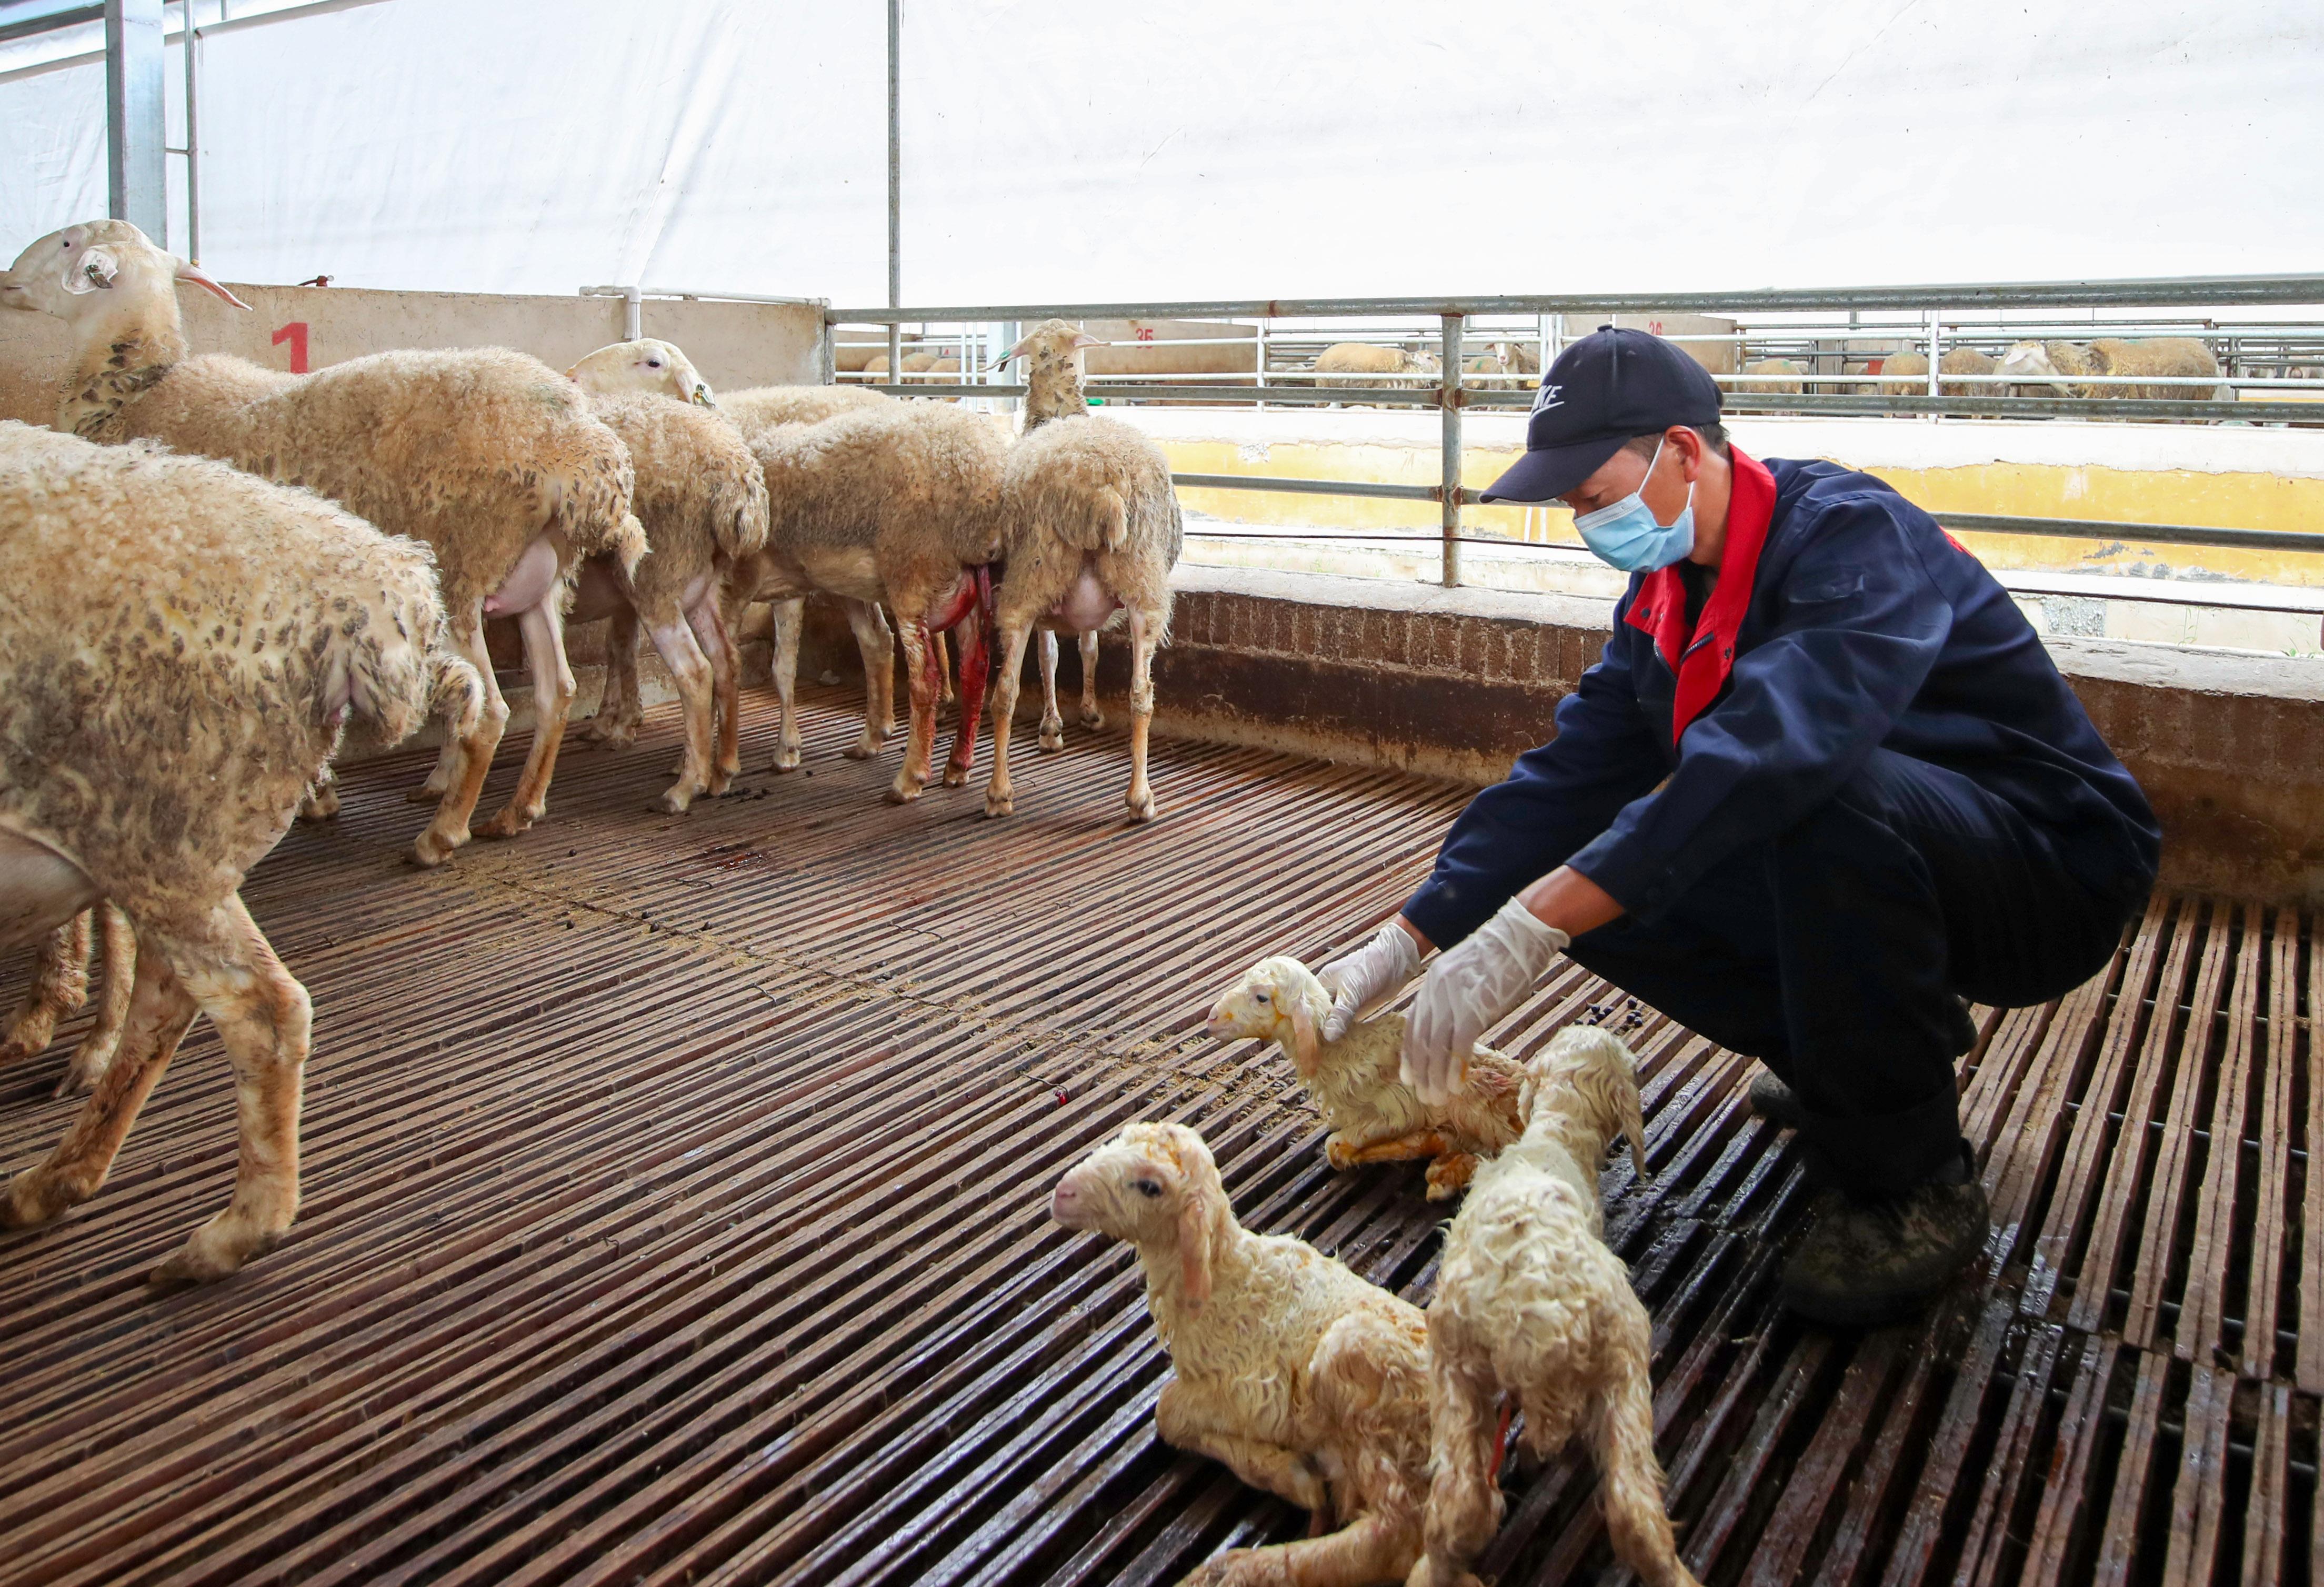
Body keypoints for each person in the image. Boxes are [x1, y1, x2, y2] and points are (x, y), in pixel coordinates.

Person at [1315, 327, 2158, 1326]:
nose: (1586, 518)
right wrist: (1414, 936)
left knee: (1797, 800)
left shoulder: (1849, 535)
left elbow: (1776, 750)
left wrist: (1534, 921)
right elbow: (1571, 775)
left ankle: (1912, 1185)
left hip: (2046, 869)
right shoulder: (1663, 593)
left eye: (1594, 490)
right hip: (1899, 860)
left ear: (1679, 451)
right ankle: (1852, 1060)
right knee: (1598, 876)